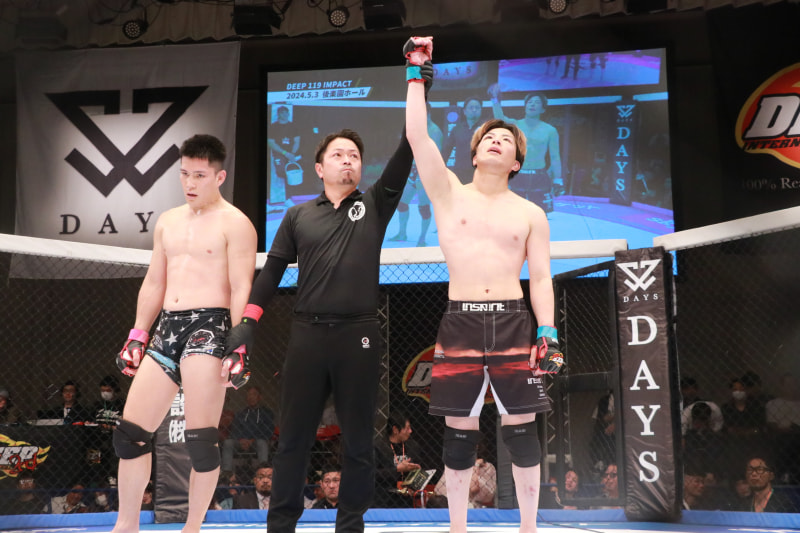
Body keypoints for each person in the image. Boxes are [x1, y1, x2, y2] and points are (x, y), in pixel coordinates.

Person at [221, 56, 423, 533]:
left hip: (358, 335)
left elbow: (409, 145)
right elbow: (272, 271)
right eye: (338, 154)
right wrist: (247, 322)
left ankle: (350, 526)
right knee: (293, 438)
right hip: (307, 335)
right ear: (319, 167)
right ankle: (281, 526)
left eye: (354, 155)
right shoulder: (297, 216)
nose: (348, 159)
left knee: (358, 442)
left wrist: (417, 82)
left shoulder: (374, 205)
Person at [405, 36, 563, 533]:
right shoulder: (449, 194)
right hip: (461, 320)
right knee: (459, 434)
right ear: (474, 154)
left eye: (506, 140)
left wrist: (548, 331)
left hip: (515, 320)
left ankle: (529, 527)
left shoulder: (531, 212)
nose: (496, 140)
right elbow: (417, 136)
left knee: (522, 432)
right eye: (488, 137)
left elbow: (541, 276)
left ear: (517, 162)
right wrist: (416, 71)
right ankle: (457, 527)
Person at [110, 134, 258, 533]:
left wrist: (240, 343)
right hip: (168, 327)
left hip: (209, 327)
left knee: (201, 440)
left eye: (199, 175)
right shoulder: (168, 221)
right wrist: (138, 334)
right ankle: (126, 525)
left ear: (220, 176)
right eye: (185, 174)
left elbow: (241, 286)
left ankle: (192, 528)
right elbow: (155, 281)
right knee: (129, 435)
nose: (190, 183)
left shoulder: (236, 223)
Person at [486, 83, 562, 212]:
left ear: (543, 109)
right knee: (513, 212)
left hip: (539, 176)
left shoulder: (550, 130)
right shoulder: (516, 125)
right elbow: (499, 119)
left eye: (536, 103)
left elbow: (555, 157)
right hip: (518, 175)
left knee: (539, 212)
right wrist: (495, 100)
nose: (532, 105)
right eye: (530, 102)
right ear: (525, 106)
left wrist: (558, 180)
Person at [389, 102, 442, 246]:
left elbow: (436, 157)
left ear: (428, 113)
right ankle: (402, 233)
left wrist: (424, 175)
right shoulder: (414, 128)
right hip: (412, 170)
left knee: (423, 207)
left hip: (426, 172)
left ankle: (422, 238)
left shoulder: (435, 131)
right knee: (402, 203)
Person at [221, 385, 275, 473]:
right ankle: (227, 472)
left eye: (254, 394)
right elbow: (235, 429)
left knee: (262, 443)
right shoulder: (241, 413)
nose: (251, 397)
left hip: (256, 442)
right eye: (249, 395)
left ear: (260, 397)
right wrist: (241, 440)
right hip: (241, 441)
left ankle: (263, 471)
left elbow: (267, 431)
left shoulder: (267, 413)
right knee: (228, 443)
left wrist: (252, 440)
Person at [373, 412, 422, 508]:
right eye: (407, 428)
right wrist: (397, 469)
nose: (410, 431)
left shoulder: (413, 446)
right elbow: (372, 474)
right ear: (395, 429)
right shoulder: (378, 447)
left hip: (406, 500)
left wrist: (412, 486)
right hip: (383, 499)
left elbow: (419, 470)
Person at [441, 96, 484, 184]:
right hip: (460, 174)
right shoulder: (457, 129)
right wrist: (440, 169)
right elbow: (446, 151)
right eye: (471, 107)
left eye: (477, 108)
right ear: (464, 111)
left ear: (481, 110)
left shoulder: (486, 129)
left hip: (481, 174)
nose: (474, 110)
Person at [267, 105, 302, 214]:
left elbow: (297, 141)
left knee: (291, 175)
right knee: (281, 172)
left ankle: (288, 199)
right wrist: (285, 153)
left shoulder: (293, 126)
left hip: (291, 154)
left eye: (286, 112)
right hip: (279, 154)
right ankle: (283, 198)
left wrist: (292, 154)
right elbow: (271, 143)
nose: (285, 114)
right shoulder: (273, 127)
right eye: (282, 113)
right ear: (279, 114)